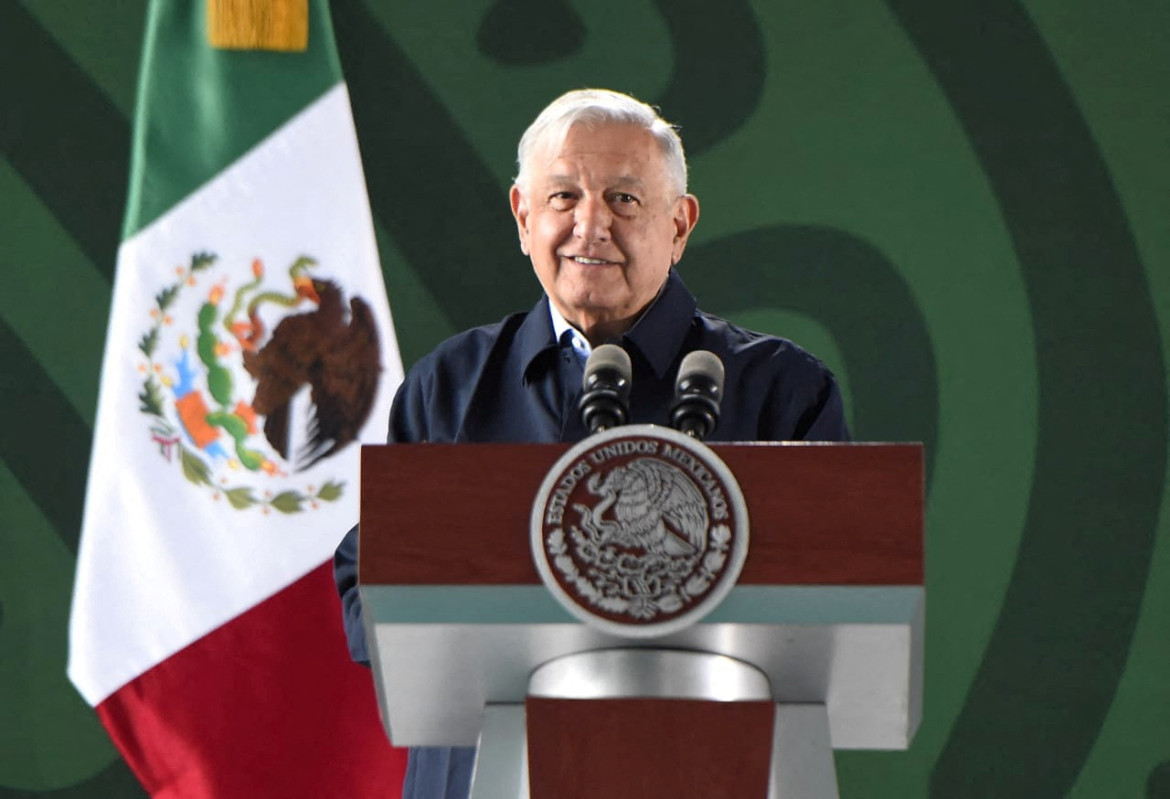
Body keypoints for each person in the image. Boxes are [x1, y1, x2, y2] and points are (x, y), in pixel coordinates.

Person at [333, 88, 849, 799]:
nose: (590, 224)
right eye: (564, 196)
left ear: (680, 224)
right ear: (522, 215)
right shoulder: (450, 386)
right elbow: (371, 579)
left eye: (625, 200)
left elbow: (837, 600)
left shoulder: (782, 390)